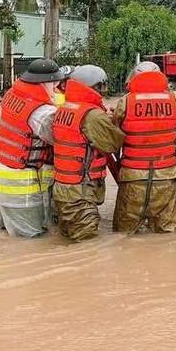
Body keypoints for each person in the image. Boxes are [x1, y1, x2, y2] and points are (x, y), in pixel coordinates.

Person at [111, 54, 176, 233]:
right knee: (166, 234)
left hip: (133, 179)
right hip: (165, 178)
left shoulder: (124, 102)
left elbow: (113, 136)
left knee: (124, 233)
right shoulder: (174, 99)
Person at [0, 58, 66, 238]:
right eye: (55, 83)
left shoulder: (13, 94)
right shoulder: (42, 113)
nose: (57, 88)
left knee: (1, 234)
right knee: (31, 240)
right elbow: (62, 137)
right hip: (19, 186)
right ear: (44, 83)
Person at [52, 64, 125, 242]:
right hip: (80, 191)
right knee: (86, 244)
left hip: (64, 188)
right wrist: (117, 120)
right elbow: (114, 143)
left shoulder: (65, 108)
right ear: (95, 86)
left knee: (69, 239)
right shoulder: (92, 115)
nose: (104, 90)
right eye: (102, 86)